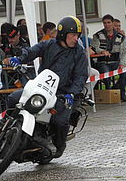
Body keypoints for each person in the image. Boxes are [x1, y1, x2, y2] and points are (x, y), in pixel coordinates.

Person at [7, 16, 88, 158]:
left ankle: (59, 145)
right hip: (41, 87)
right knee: (13, 98)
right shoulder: (49, 44)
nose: (76, 39)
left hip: (62, 93)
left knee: (60, 120)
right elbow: (32, 51)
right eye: (73, 35)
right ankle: (8, 126)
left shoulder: (79, 53)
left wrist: (72, 93)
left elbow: (80, 76)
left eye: (77, 35)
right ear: (63, 34)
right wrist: (19, 59)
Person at [91, 14, 126, 102]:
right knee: (106, 73)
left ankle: (120, 92)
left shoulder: (121, 37)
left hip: (116, 62)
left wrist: (122, 64)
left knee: (125, 73)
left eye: (109, 22)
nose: (107, 25)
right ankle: (109, 93)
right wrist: (102, 51)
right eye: (105, 23)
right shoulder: (97, 35)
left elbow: (124, 52)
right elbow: (94, 47)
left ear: (112, 23)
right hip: (103, 62)